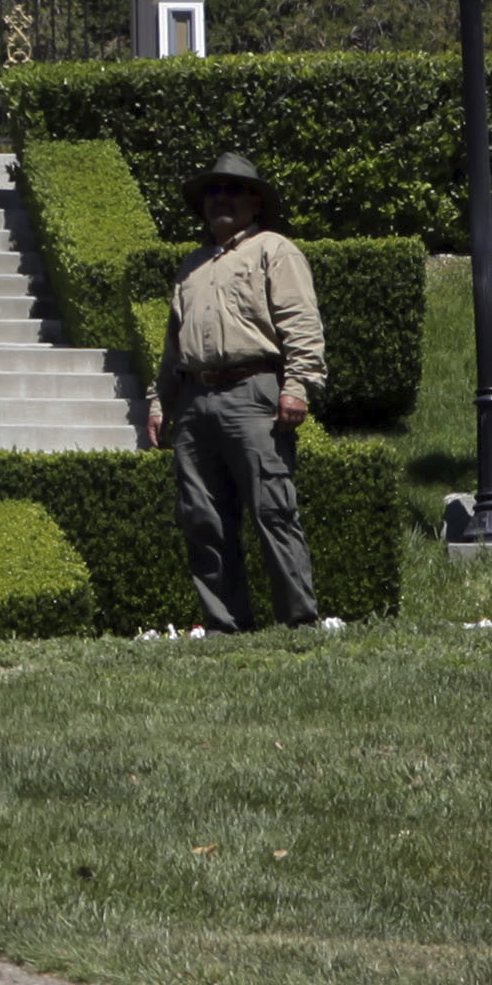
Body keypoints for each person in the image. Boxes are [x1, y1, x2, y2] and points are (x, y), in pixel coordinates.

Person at [145, 148, 328, 634]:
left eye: (233, 191)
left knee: (273, 509)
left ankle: (298, 620)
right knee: (201, 517)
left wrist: (297, 386)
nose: (220, 200)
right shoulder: (191, 265)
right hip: (195, 399)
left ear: (255, 203)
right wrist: (160, 402)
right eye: (213, 192)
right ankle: (225, 625)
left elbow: (301, 324)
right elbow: (173, 346)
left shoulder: (274, 250)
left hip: (254, 391)